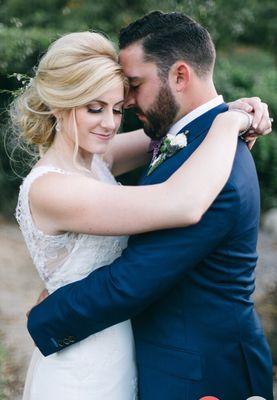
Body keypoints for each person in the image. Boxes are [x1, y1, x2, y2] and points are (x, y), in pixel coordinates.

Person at [22, 13, 272, 400]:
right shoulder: (63, 179)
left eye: (121, 102)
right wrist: (229, 120)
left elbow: (179, 142)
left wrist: (229, 117)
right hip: (89, 360)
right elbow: (179, 196)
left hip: (188, 365)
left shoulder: (100, 158)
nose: (111, 122)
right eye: (95, 107)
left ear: (180, 76)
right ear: (61, 105)